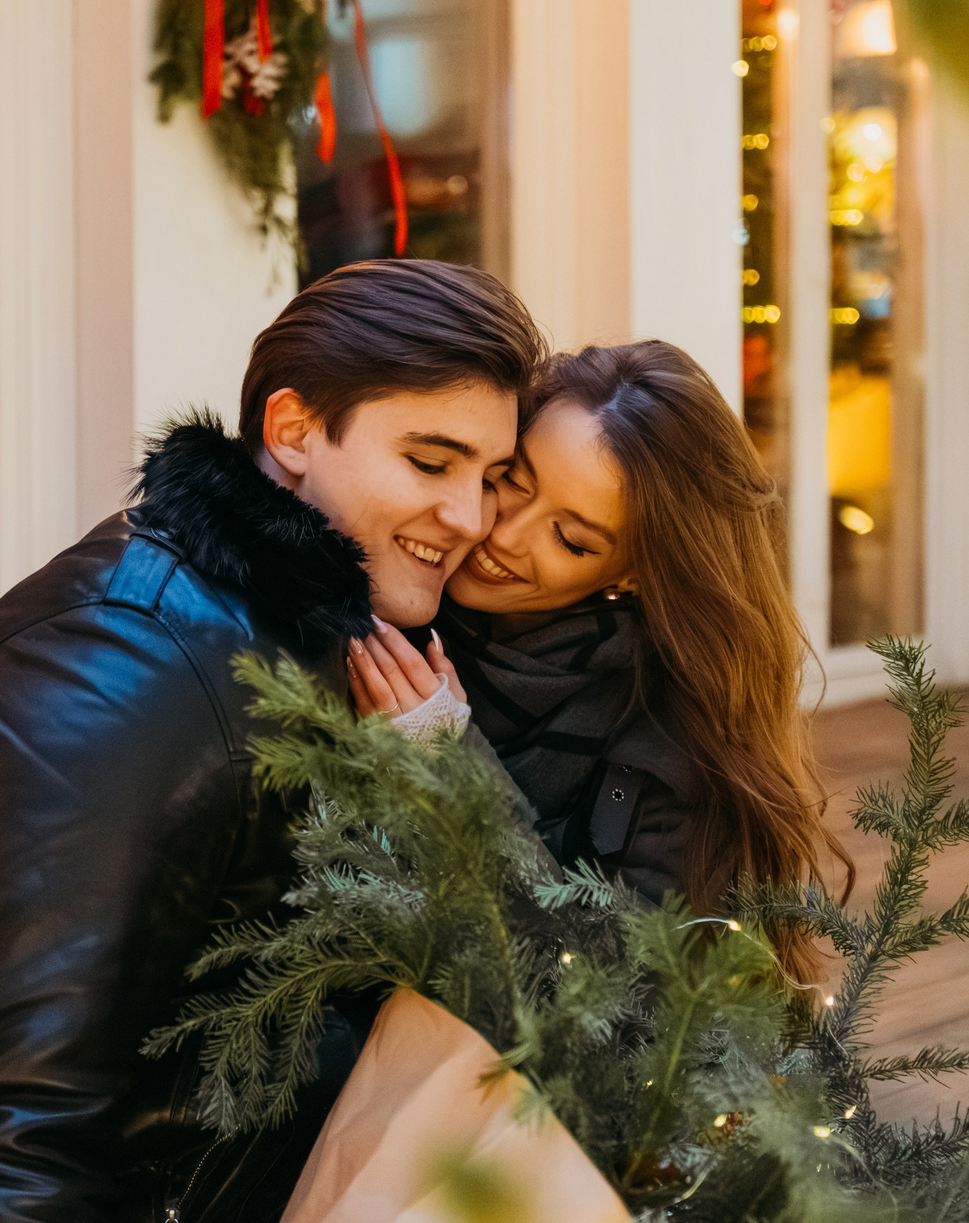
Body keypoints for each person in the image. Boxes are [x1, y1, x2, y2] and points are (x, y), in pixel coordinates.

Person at [0, 259, 543, 1223]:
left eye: (492, 477)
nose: (467, 518)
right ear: (291, 428)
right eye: (429, 462)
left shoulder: (330, 635)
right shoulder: (117, 674)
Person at [346, 340, 846, 966]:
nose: (500, 534)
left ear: (634, 573)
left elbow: (616, 1000)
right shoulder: (385, 596)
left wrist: (450, 777)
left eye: (571, 539)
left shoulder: (678, 739)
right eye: (510, 482)